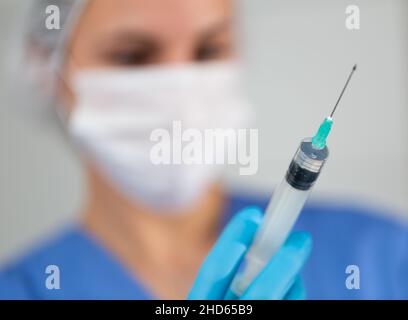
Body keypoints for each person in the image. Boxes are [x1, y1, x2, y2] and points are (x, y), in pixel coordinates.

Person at [0, 0, 407, 300]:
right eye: (133, 56)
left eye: (209, 50)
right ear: (50, 74)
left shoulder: (380, 256)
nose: (181, 86)